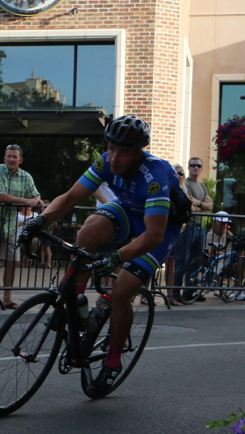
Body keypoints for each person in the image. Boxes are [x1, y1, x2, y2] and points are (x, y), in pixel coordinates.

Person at [22, 115, 186, 390]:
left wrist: (117, 257)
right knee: (88, 232)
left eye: (123, 152)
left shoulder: (157, 174)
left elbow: (153, 235)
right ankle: (76, 302)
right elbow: (72, 197)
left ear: (139, 153)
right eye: (111, 147)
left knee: (122, 290)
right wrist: (39, 221)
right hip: (129, 208)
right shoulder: (105, 160)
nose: (113, 157)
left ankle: (113, 358)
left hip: (160, 227)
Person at [0, 144, 43, 310]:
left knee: (12, 260)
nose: (11, 159)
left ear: (20, 160)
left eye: (15, 156)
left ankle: (7, 298)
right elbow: (1, 196)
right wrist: (25, 201)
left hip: (10, 223)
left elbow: (35, 193)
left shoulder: (26, 176)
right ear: (4, 158)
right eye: (8, 156)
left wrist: (37, 200)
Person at [172, 156, 212, 302]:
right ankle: (175, 292)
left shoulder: (202, 186)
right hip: (187, 226)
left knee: (196, 261)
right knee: (182, 261)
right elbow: (189, 206)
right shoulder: (185, 184)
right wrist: (199, 206)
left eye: (198, 166)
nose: (196, 168)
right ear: (188, 167)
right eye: (193, 165)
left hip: (200, 227)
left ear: (201, 168)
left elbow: (210, 206)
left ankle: (190, 292)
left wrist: (199, 203)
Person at [163, 164, 186, 303]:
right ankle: (144, 294)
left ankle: (170, 295)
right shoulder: (164, 186)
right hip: (162, 228)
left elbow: (191, 205)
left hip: (177, 230)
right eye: (176, 173)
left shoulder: (184, 189)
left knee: (172, 263)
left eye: (181, 173)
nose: (178, 175)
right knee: (153, 261)